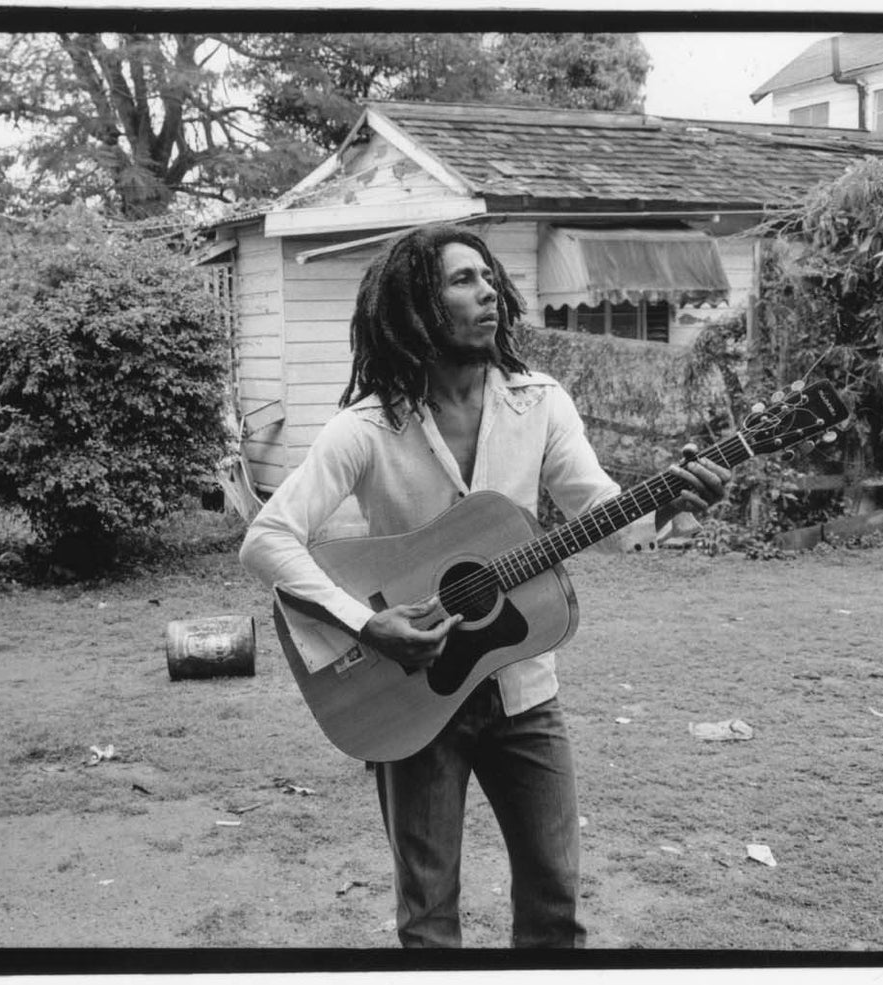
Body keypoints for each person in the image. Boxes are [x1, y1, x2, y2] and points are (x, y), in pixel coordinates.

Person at [238, 223, 730, 949]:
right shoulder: (367, 427)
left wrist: (664, 500)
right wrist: (364, 623)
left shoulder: (539, 402)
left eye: (489, 276)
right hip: (412, 698)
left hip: (524, 690)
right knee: (427, 919)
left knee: (555, 903)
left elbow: (596, 506)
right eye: (461, 280)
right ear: (413, 305)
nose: (488, 290)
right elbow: (267, 537)